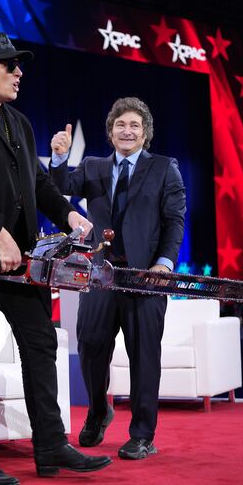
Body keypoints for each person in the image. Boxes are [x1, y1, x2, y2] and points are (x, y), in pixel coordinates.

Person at [0, 32, 112, 485]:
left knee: (40, 343)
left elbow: (37, 185)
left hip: (19, 262)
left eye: (19, 66)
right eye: (8, 65)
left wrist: (70, 212)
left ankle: (50, 446)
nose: (18, 72)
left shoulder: (20, 123)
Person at [49, 97, 186, 460]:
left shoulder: (164, 168)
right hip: (99, 277)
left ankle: (143, 434)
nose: (127, 130)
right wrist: (60, 157)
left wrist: (165, 264)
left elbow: (174, 221)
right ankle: (98, 411)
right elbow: (60, 185)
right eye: (121, 125)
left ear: (146, 133)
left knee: (144, 356)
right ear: (110, 132)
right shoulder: (93, 166)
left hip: (146, 279)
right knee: (91, 346)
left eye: (135, 125)